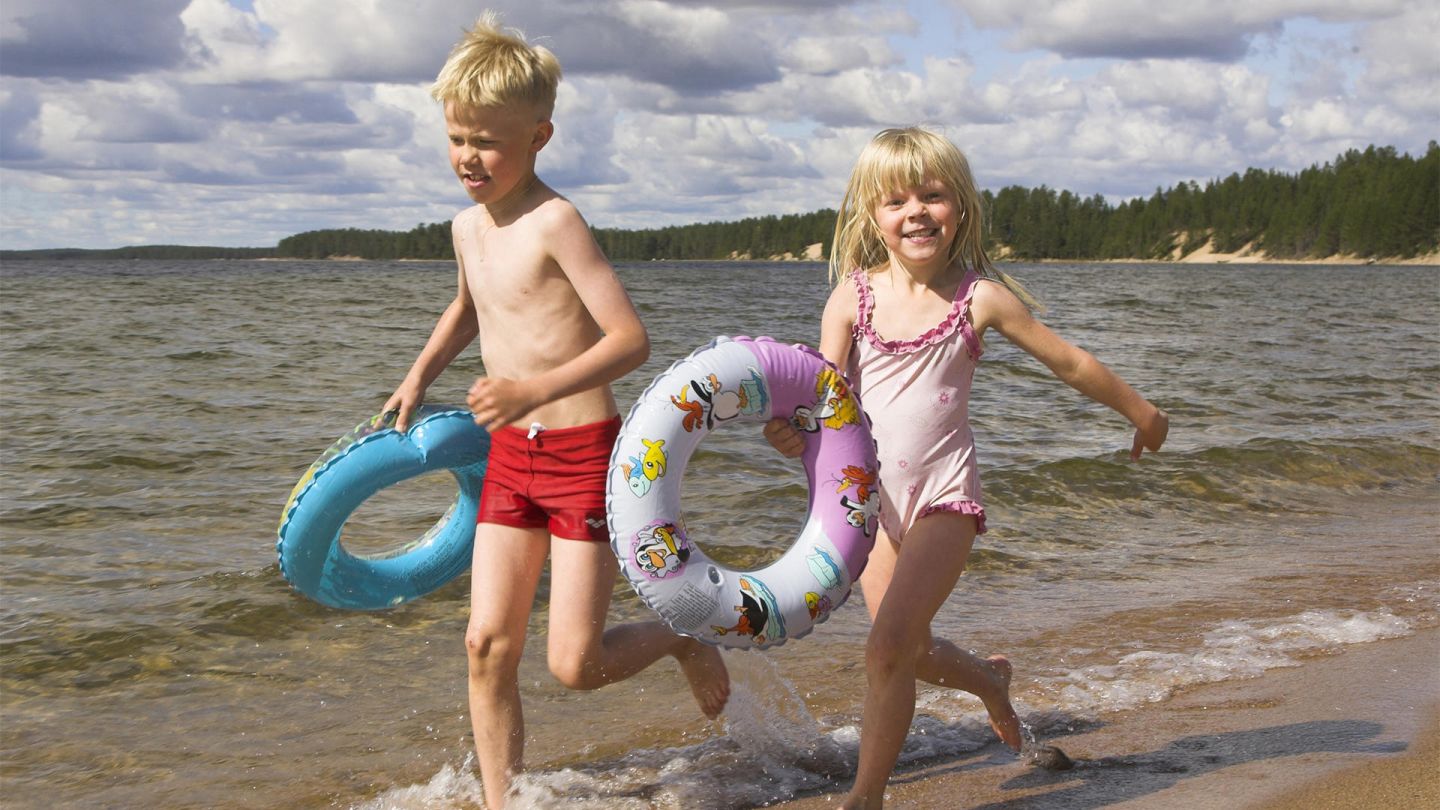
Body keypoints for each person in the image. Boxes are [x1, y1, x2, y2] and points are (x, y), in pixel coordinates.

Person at [764, 127, 1169, 809]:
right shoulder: (850, 299)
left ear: (961, 206)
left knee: (885, 650)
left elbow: (1067, 360)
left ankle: (865, 798)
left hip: (943, 498)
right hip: (868, 505)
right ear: (871, 216)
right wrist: (792, 435)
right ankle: (988, 680)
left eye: (933, 195)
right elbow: (822, 401)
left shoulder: (978, 298)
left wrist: (1141, 411)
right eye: (896, 200)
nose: (915, 211)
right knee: (911, 652)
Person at [382, 14, 729, 809]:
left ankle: (681, 636)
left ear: (539, 136)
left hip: (582, 455)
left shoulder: (556, 221)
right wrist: (418, 374)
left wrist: (533, 390)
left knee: (574, 665)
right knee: (484, 644)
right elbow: (471, 308)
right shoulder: (467, 227)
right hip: (511, 457)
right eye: (457, 138)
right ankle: (506, 802)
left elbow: (630, 338)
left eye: (489, 142)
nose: (469, 157)